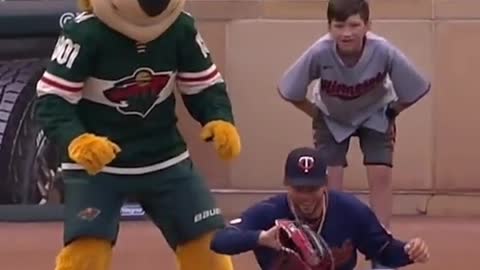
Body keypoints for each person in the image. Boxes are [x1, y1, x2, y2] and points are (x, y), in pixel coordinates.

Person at [34, 1, 241, 270]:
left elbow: (204, 85)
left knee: (208, 243)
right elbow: (53, 99)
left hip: (163, 155)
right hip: (99, 163)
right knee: (87, 253)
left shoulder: (181, 27)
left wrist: (219, 118)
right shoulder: (85, 33)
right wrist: (77, 139)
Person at [276, 0, 431, 235]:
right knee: (330, 181)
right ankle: (332, 238)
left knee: (380, 175)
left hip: (375, 112)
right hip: (333, 116)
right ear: (329, 27)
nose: (346, 33)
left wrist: (393, 110)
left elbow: (416, 86)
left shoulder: (383, 50)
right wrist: (315, 113)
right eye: (339, 26)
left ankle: (381, 241)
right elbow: (289, 90)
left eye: (354, 25)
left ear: (368, 25)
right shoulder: (320, 52)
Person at [210, 147, 430, 270]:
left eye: (312, 188)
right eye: (298, 188)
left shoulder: (350, 210)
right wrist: (260, 238)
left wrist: (409, 250)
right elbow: (220, 241)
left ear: (325, 185)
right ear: (287, 185)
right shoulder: (269, 212)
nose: (305, 196)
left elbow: (384, 251)